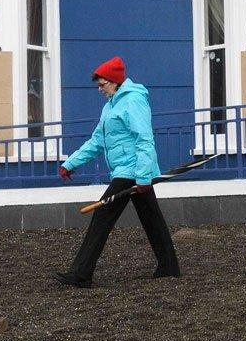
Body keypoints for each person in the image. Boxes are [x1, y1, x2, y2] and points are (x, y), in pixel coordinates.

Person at [52, 56, 181, 288]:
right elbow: (96, 142)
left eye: (103, 84)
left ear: (115, 81)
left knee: (101, 217)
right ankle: (169, 268)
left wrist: (142, 177)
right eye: (98, 85)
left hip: (131, 171)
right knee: (152, 220)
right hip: (129, 171)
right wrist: (70, 163)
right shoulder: (110, 106)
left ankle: (81, 274)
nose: (100, 89)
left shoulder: (133, 101)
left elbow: (144, 139)